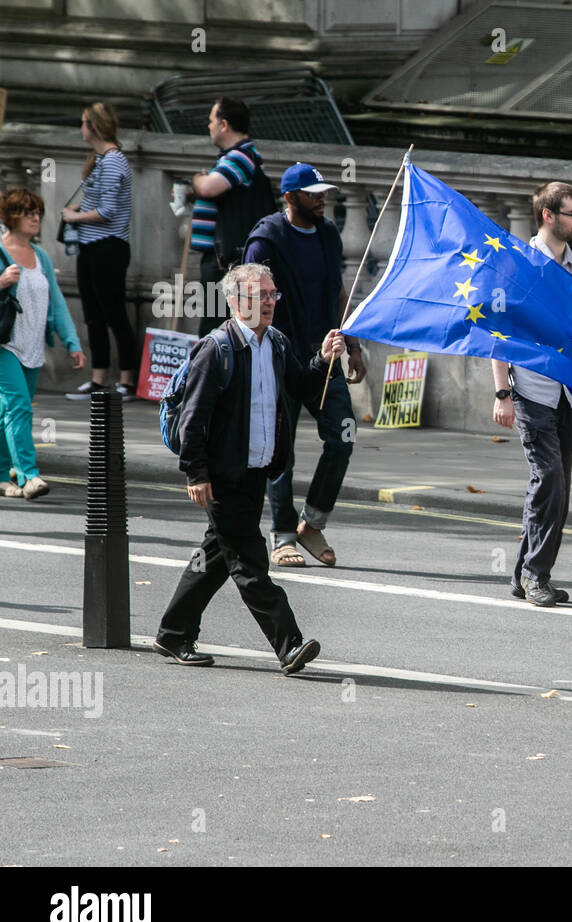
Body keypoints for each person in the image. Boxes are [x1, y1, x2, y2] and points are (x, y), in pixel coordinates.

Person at [154, 263, 343, 673]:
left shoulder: (275, 343)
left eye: (274, 294)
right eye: (261, 296)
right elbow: (194, 417)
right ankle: (289, 643)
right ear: (235, 301)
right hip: (222, 475)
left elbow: (301, 387)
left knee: (216, 555)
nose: (271, 302)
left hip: (256, 468)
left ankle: (172, 634)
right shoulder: (216, 348)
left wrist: (321, 360)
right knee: (248, 561)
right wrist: (196, 472)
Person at [243, 163, 366, 568]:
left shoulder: (329, 233)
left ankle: (311, 524)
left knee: (343, 436)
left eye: (323, 192)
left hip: (325, 354)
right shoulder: (266, 239)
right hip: (280, 358)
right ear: (290, 197)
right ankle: (281, 536)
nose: (321, 198)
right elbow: (249, 302)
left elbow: (338, 290)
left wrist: (354, 344)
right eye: (312, 193)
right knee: (281, 450)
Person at [492, 182, 572, 607]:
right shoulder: (517, 264)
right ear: (548, 216)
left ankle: (526, 572)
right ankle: (536, 575)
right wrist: (501, 392)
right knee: (549, 477)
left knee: (558, 486)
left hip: (569, 393)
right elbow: (499, 332)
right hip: (531, 389)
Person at [0, 189, 87, 499]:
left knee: (8, 410)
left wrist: (72, 341)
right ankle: (29, 475)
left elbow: (58, 303)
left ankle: (1, 473)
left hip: (33, 346)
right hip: (4, 345)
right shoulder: (0, 251)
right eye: (27, 212)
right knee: (19, 407)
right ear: (11, 217)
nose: (36, 217)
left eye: (37, 212)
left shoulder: (42, 257)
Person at [62, 102, 136, 402]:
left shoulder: (114, 161)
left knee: (114, 313)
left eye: (83, 122)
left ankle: (127, 381)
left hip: (108, 247)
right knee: (93, 315)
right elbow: (98, 200)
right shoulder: (100, 160)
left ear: (93, 126)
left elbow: (106, 212)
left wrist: (73, 217)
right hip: (90, 246)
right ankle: (99, 378)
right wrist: (77, 209)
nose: (80, 128)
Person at [190, 96, 274, 336]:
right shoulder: (236, 156)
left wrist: (197, 180)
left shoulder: (241, 156)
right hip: (221, 258)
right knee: (216, 323)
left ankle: (213, 372)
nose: (209, 126)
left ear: (224, 125)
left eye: (211, 120)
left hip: (224, 261)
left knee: (216, 327)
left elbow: (208, 188)